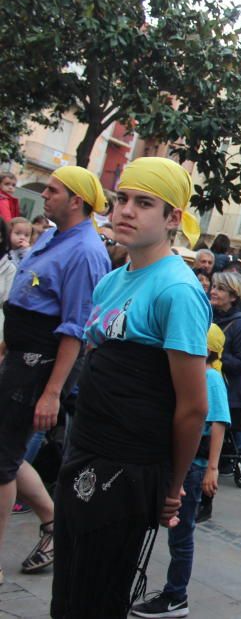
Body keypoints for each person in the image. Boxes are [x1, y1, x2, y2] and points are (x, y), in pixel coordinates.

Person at [51, 157, 210, 618]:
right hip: (84, 450)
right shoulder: (110, 282)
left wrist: (173, 487)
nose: (126, 210)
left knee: (97, 596)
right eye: (122, 199)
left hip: (129, 468)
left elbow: (192, 407)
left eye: (144, 203)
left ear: (172, 218)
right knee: (68, 592)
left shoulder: (178, 291)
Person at [0, 167, 111, 585]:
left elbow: (76, 328)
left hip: (40, 365)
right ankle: (53, 521)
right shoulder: (50, 235)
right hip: (19, 358)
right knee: (4, 451)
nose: (43, 194)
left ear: (76, 200)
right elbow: (25, 298)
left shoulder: (86, 252)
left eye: (53, 189)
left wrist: (51, 392)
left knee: (2, 462)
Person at [131, 324, 230, 619]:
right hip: (173, 462)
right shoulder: (186, 372)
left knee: (181, 534)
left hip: (193, 468)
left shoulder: (210, 376)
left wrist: (212, 467)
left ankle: (176, 595)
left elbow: (218, 423)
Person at [199, 272, 241, 522]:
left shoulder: (240, 325)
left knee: (212, 448)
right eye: (214, 287)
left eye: (220, 289)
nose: (214, 291)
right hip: (203, 385)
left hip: (225, 392)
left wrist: (214, 356)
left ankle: (205, 501)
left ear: (233, 296)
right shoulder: (208, 314)